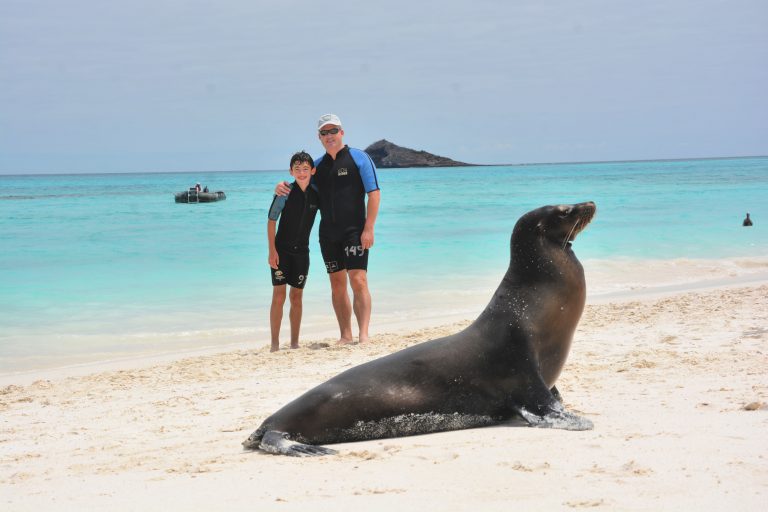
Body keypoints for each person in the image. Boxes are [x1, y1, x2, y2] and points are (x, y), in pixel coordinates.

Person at [276, 114, 380, 344]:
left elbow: (374, 194)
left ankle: (363, 334)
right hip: (328, 234)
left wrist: (368, 228)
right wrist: (281, 186)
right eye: (325, 132)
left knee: (359, 280)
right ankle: (345, 334)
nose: (330, 136)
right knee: (337, 284)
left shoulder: (359, 158)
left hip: (355, 231)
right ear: (319, 137)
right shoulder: (318, 166)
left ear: (342, 132)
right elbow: (300, 184)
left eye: (334, 131)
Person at [267, 151, 320, 351]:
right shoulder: (284, 192)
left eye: (305, 169)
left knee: (297, 297)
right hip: (281, 251)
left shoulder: (317, 193)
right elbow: (271, 221)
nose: (301, 172)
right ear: (291, 171)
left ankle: (295, 343)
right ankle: (274, 344)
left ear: (312, 170)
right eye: (297, 169)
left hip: (302, 253)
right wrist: (272, 251)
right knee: (279, 295)